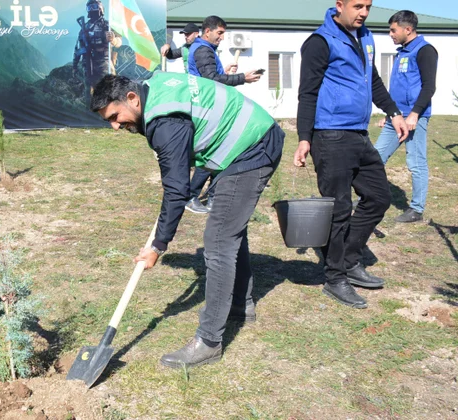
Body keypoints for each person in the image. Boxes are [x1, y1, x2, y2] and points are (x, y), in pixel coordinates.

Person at [91, 73, 284, 369]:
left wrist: (158, 246)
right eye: (109, 121)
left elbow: (176, 190)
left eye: (115, 117)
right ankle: (239, 304)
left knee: (219, 242)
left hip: (251, 145)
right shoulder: (153, 91)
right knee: (230, 228)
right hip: (248, 138)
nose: (115, 126)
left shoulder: (164, 122)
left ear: (132, 98)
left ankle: (209, 342)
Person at [294, 0, 410, 309]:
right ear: (339, 5)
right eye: (358, 6)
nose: (364, 13)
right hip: (330, 134)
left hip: (358, 133)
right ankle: (335, 279)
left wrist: (394, 112)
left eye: (368, 6)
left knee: (379, 197)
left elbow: (372, 81)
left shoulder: (365, 36)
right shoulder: (320, 41)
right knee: (339, 209)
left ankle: (347, 259)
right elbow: (307, 92)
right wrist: (304, 137)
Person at [184, 15, 263, 214]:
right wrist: (242, 78)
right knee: (213, 153)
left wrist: (225, 71)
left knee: (222, 151)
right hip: (208, 108)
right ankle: (191, 196)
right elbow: (211, 80)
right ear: (207, 31)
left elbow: (211, 76)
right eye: (219, 33)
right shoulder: (203, 50)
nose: (222, 37)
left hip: (212, 107)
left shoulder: (204, 49)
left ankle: (213, 196)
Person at [373, 10, 437, 223]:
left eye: (393, 30)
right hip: (396, 117)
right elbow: (399, 88)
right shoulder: (402, 53)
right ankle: (369, 197)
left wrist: (415, 114)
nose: (390, 34)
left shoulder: (425, 51)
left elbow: (429, 87)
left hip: (413, 118)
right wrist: (389, 113)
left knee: (416, 162)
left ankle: (416, 209)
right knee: (374, 157)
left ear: (408, 29)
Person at [73, 0, 122, 99]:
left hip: (104, 61)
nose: (92, 9)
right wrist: (74, 65)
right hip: (88, 62)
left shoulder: (107, 25)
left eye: (95, 6)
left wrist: (113, 40)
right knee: (89, 91)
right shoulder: (84, 28)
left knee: (111, 88)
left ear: (101, 8)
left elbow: (119, 42)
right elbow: (78, 49)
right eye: (89, 7)